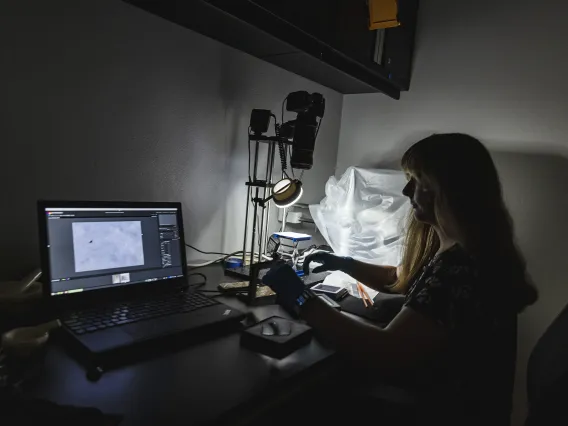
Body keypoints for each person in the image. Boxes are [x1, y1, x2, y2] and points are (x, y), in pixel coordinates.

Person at [263, 134, 538, 426]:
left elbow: (386, 350)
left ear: (446, 190)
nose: (407, 190)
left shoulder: (461, 267)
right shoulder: (471, 249)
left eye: (416, 180)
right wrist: (343, 262)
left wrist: (301, 298)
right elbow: (404, 278)